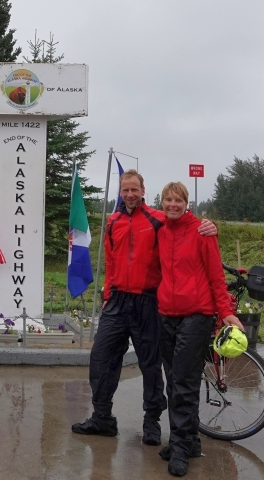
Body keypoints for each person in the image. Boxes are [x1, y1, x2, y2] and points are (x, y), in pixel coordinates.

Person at [72, 170, 216, 446]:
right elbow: (111, 261)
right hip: (117, 302)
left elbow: (185, 226)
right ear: (120, 192)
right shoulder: (113, 221)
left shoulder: (158, 218)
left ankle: (152, 420)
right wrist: (108, 293)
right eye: (125, 190)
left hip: (148, 301)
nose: (129, 195)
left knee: (150, 365)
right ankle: (102, 417)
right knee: (100, 358)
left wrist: (209, 227)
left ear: (142, 191)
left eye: (134, 190)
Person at [155, 181, 243, 477]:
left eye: (178, 200)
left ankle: (179, 448)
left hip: (196, 314)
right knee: (174, 380)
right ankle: (189, 440)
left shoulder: (201, 232)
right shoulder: (161, 229)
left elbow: (217, 276)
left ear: (186, 202)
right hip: (167, 313)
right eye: (167, 200)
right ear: (162, 202)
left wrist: (227, 313)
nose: (172, 205)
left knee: (184, 382)